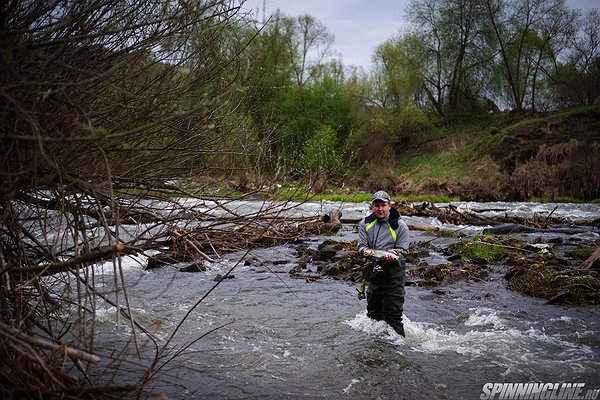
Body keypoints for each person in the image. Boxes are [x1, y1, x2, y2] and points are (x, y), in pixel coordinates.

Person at [357, 190, 410, 336]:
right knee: (374, 317)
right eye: (377, 205)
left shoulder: (400, 226)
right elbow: (361, 246)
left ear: (389, 206)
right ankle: (376, 348)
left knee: (393, 318)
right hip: (373, 272)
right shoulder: (365, 224)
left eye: (383, 205)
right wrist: (364, 252)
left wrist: (395, 254)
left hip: (393, 275)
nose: (380, 209)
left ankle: (400, 348)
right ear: (372, 206)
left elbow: (403, 250)